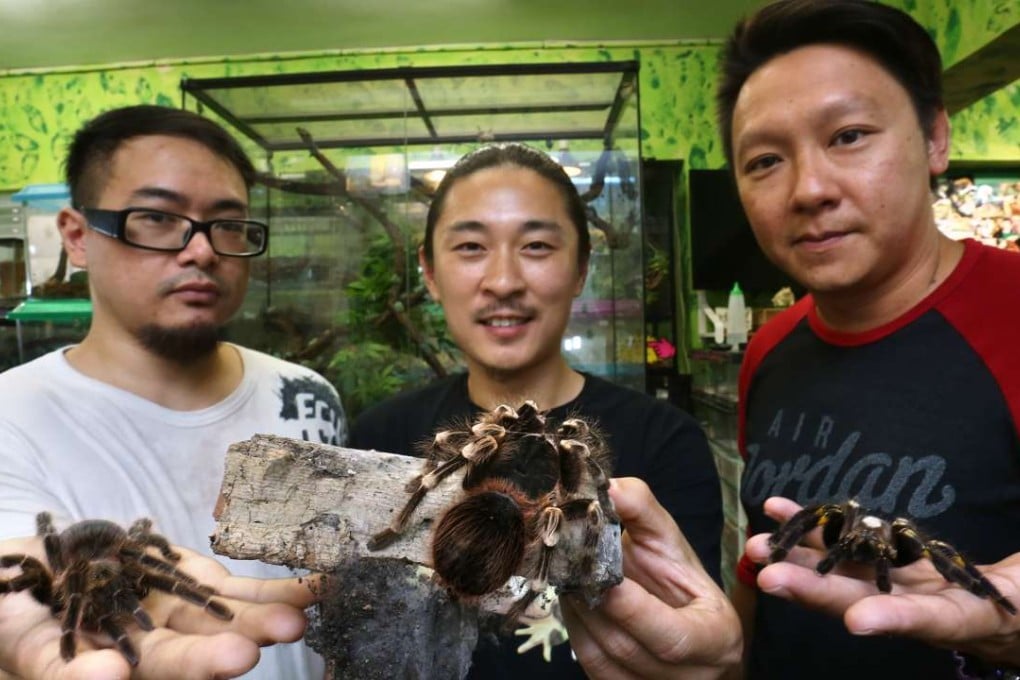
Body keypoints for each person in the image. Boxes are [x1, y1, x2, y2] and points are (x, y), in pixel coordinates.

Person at [714, 1, 1020, 678]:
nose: (810, 188)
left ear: (935, 138)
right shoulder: (769, 350)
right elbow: (763, 565)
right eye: (765, 160)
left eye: (849, 135)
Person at [350, 142, 728, 678]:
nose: (503, 282)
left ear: (580, 270)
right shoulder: (381, 433)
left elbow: (697, 648)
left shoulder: (666, 442)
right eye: (471, 246)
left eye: (536, 245)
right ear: (429, 273)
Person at [0, 105, 346, 679]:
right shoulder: (8, 416)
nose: (202, 251)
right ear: (78, 236)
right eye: (157, 218)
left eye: (228, 223)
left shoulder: (306, 396)